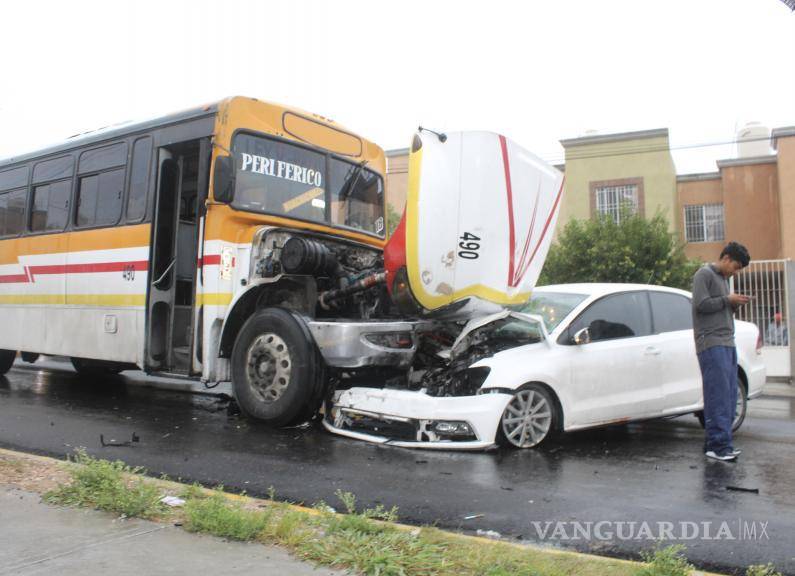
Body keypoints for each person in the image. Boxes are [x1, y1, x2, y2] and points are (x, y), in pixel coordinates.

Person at [691, 241, 751, 462]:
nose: (735, 272)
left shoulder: (724, 280)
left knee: (729, 396)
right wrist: (728, 300)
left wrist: (733, 304)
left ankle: (716, 444)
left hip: (727, 342)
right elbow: (701, 305)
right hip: (711, 342)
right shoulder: (703, 275)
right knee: (717, 395)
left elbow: (718, 306)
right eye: (736, 267)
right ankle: (719, 447)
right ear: (726, 258)